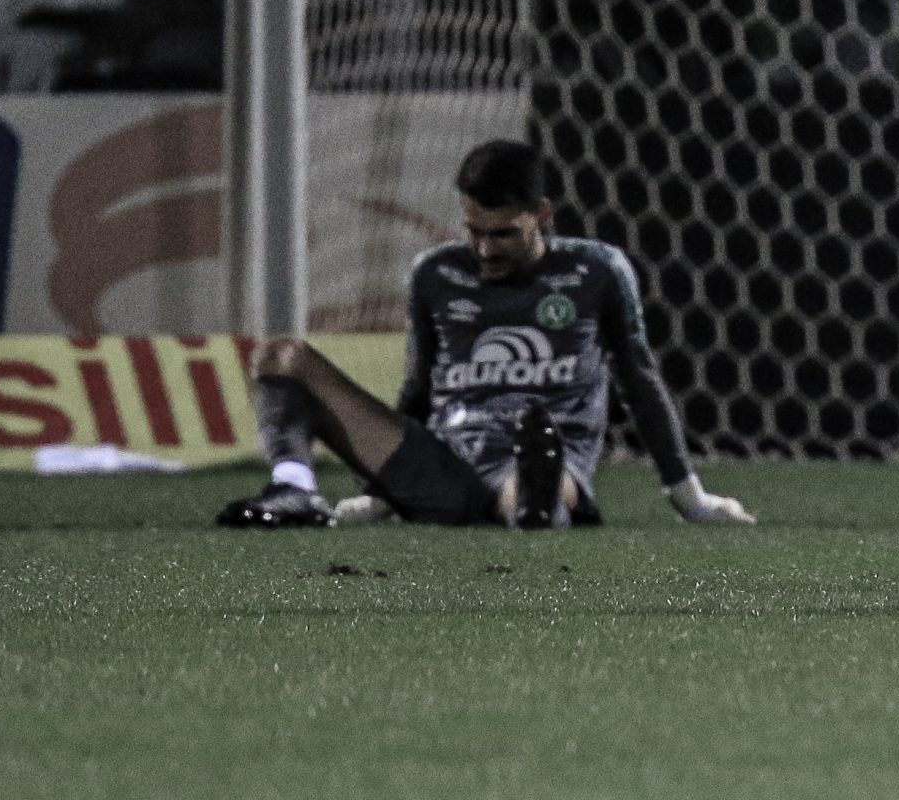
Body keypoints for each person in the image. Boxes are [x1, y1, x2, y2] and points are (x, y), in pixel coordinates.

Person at [217, 138, 753, 529]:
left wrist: (690, 498)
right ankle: (294, 489)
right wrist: (382, 495)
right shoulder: (435, 274)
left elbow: (639, 378)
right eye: (474, 231)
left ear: (540, 215)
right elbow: (419, 390)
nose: (486, 249)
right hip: (441, 460)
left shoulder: (597, 272)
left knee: (537, 460)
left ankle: (532, 506)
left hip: (544, 449)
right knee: (280, 356)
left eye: (504, 234)